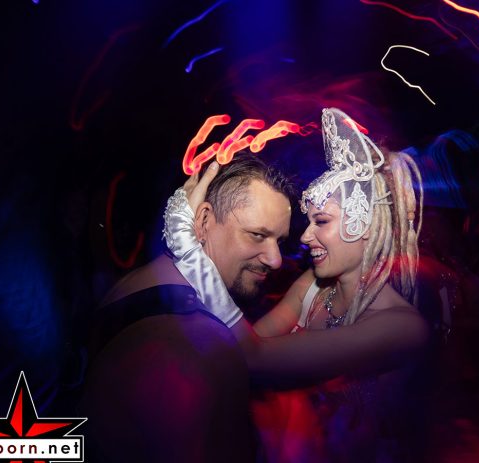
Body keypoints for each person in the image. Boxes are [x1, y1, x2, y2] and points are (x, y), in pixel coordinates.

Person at [164, 107, 429, 461]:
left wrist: (188, 249)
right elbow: (241, 351)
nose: (305, 236)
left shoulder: (404, 328)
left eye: (322, 221)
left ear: (364, 225)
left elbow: (254, 359)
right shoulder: (312, 286)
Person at [79, 154, 295, 462]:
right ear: (203, 221)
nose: (275, 260)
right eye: (257, 235)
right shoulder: (199, 344)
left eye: (280, 241)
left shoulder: (138, 283)